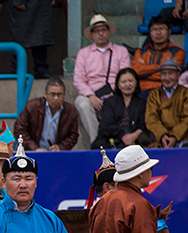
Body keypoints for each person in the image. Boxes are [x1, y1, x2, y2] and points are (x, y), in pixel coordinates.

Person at [73, 14, 131, 146]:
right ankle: (97, 142)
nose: (101, 33)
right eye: (97, 31)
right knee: (82, 103)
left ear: (108, 31)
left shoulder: (121, 51)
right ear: (92, 34)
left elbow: (126, 76)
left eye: (103, 30)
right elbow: (78, 80)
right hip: (91, 94)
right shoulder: (83, 53)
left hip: (116, 93)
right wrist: (91, 95)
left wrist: (113, 94)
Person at [14, 77, 79, 151]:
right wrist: (35, 148)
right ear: (46, 95)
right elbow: (19, 129)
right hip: (32, 152)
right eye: (52, 94)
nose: (56, 98)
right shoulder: (32, 107)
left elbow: (73, 136)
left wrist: (61, 147)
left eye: (59, 95)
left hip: (57, 154)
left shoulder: (71, 112)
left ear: (64, 95)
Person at [91, 68, 147, 150]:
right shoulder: (110, 102)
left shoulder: (141, 103)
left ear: (136, 83)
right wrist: (123, 136)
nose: (127, 84)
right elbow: (105, 126)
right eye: (123, 82)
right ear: (118, 84)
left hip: (134, 139)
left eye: (130, 81)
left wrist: (134, 136)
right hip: (112, 139)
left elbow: (143, 125)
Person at [132, 15, 186, 96]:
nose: (158, 33)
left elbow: (171, 76)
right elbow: (136, 72)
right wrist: (159, 68)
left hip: (165, 92)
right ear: (149, 33)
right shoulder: (140, 52)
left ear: (169, 31)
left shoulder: (178, 52)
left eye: (162, 29)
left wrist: (145, 74)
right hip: (142, 92)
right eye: (154, 29)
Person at [144, 57, 188, 148]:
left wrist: (174, 136)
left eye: (170, 73)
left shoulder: (185, 93)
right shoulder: (154, 94)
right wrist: (162, 135)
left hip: (182, 138)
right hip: (160, 140)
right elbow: (151, 119)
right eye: (163, 74)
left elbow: (186, 119)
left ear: (178, 74)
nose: (167, 78)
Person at [5, 0, 53, 79]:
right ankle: (16, 72)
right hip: (23, 7)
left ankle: (41, 70)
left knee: (40, 39)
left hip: (41, 6)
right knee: (18, 41)